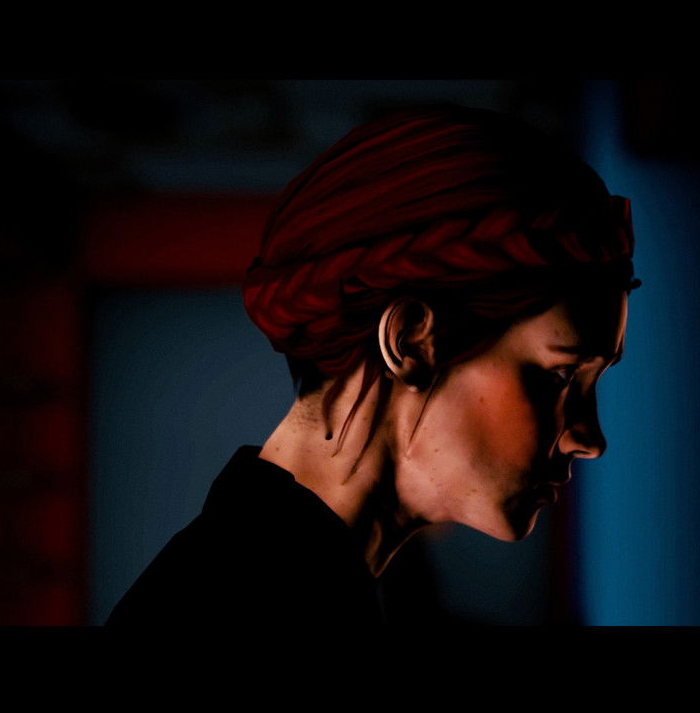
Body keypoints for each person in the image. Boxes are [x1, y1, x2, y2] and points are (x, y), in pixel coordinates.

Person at [106, 104, 637, 626]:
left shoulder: (280, 575)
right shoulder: (244, 599)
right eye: (561, 375)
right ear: (410, 342)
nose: (588, 439)